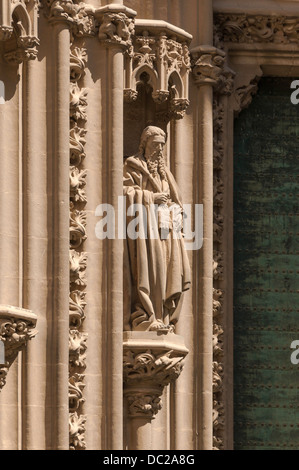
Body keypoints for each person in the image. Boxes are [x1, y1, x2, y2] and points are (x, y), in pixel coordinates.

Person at [123, 126, 191, 332]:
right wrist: (150, 198)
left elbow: (175, 199)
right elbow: (125, 192)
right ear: (145, 144)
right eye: (155, 145)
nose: (159, 150)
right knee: (151, 271)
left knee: (169, 271)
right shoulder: (132, 166)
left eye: (162, 145)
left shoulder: (165, 173)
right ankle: (147, 316)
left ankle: (164, 315)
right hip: (146, 230)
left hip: (167, 230)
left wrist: (174, 210)